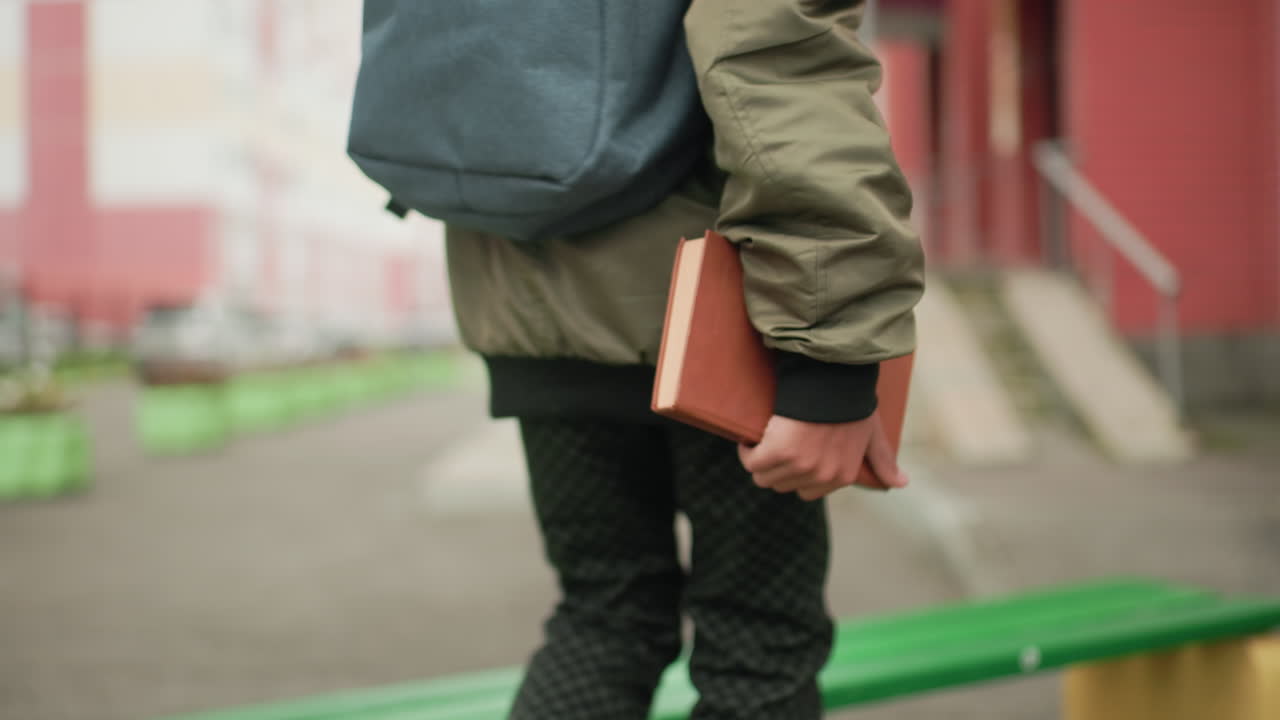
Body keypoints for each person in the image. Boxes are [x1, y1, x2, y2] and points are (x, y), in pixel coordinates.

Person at [441, 1, 924, 717]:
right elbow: (775, 50)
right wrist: (829, 358)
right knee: (759, 647)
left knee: (604, 618)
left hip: (523, 283)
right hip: (714, 313)